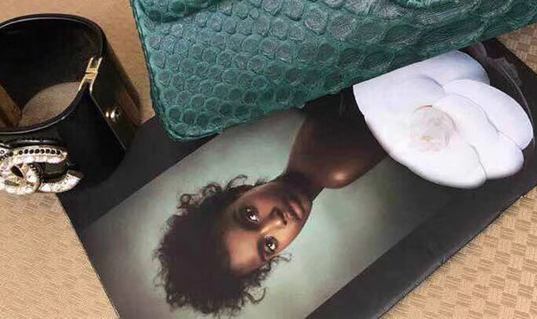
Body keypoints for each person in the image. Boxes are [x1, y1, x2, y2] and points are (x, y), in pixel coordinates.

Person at [155, 91, 385, 315]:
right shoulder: (311, 149)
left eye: (250, 215)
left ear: (240, 192)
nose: (277, 221)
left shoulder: (335, 170)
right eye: (269, 245)